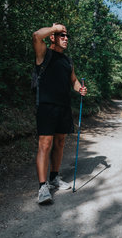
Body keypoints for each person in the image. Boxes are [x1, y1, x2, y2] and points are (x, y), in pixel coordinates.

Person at [32, 23, 87, 204]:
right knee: (45, 144)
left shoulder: (68, 61)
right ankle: (42, 187)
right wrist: (54, 28)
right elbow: (36, 36)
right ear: (53, 37)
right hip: (46, 106)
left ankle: (54, 177)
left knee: (60, 142)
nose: (65, 38)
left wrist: (80, 89)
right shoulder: (44, 53)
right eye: (61, 35)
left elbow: (74, 81)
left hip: (64, 107)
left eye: (66, 36)